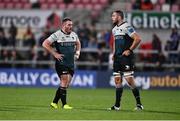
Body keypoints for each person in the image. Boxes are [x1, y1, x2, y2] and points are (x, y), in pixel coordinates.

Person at [42, 18, 81, 109]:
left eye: (71, 25)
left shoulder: (74, 35)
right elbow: (45, 43)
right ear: (63, 25)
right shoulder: (57, 34)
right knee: (64, 81)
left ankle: (54, 102)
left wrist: (78, 52)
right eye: (69, 25)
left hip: (71, 63)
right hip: (61, 62)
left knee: (66, 85)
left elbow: (78, 43)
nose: (71, 26)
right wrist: (55, 53)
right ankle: (64, 104)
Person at [108, 10, 143, 111]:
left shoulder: (127, 27)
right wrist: (114, 53)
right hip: (117, 58)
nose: (112, 18)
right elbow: (115, 42)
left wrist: (129, 50)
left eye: (113, 16)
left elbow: (137, 39)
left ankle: (139, 104)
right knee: (117, 81)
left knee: (129, 80)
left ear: (119, 17)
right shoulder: (114, 29)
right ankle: (117, 106)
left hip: (126, 58)